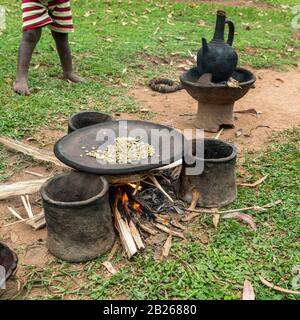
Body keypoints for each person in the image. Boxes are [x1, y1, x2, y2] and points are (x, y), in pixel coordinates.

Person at [14, 0, 85, 96]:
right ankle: (21, 79)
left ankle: (68, 72)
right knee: (30, 34)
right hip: (34, 0)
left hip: (59, 1)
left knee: (61, 34)